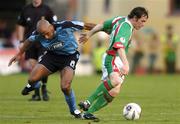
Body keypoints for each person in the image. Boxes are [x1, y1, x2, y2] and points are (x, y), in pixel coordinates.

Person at [8, 19, 96, 118]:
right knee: (31, 79)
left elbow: (87, 25)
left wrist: (105, 29)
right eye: (43, 35)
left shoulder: (65, 26)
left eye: (46, 33)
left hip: (69, 56)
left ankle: (74, 110)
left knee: (65, 87)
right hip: (52, 56)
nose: (45, 37)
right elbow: (28, 41)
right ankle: (35, 85)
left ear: (51, 27)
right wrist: (19, 54)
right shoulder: (38, 34)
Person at [78, 7, 148, 121]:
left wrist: (89, 34)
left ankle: (87, 113)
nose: (143, 24)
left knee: (114, 91)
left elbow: (102, 25)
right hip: (112, 58)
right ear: (135, 18)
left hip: (116, 59)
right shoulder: (126, 27)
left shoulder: (120, 19)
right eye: (142, 21)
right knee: (115, 81)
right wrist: (126, 64)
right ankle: (88, 102)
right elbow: (119, 47)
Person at [16, 0, 57, 101]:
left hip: (44, 43)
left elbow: (54, 25)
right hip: (30, 42)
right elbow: (21, 25)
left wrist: (53, 39)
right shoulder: (26, 9)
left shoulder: (47, 9)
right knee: (34, 67)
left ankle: (44, 88)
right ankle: (37, 94)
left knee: (42, 66)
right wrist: (21, 40)